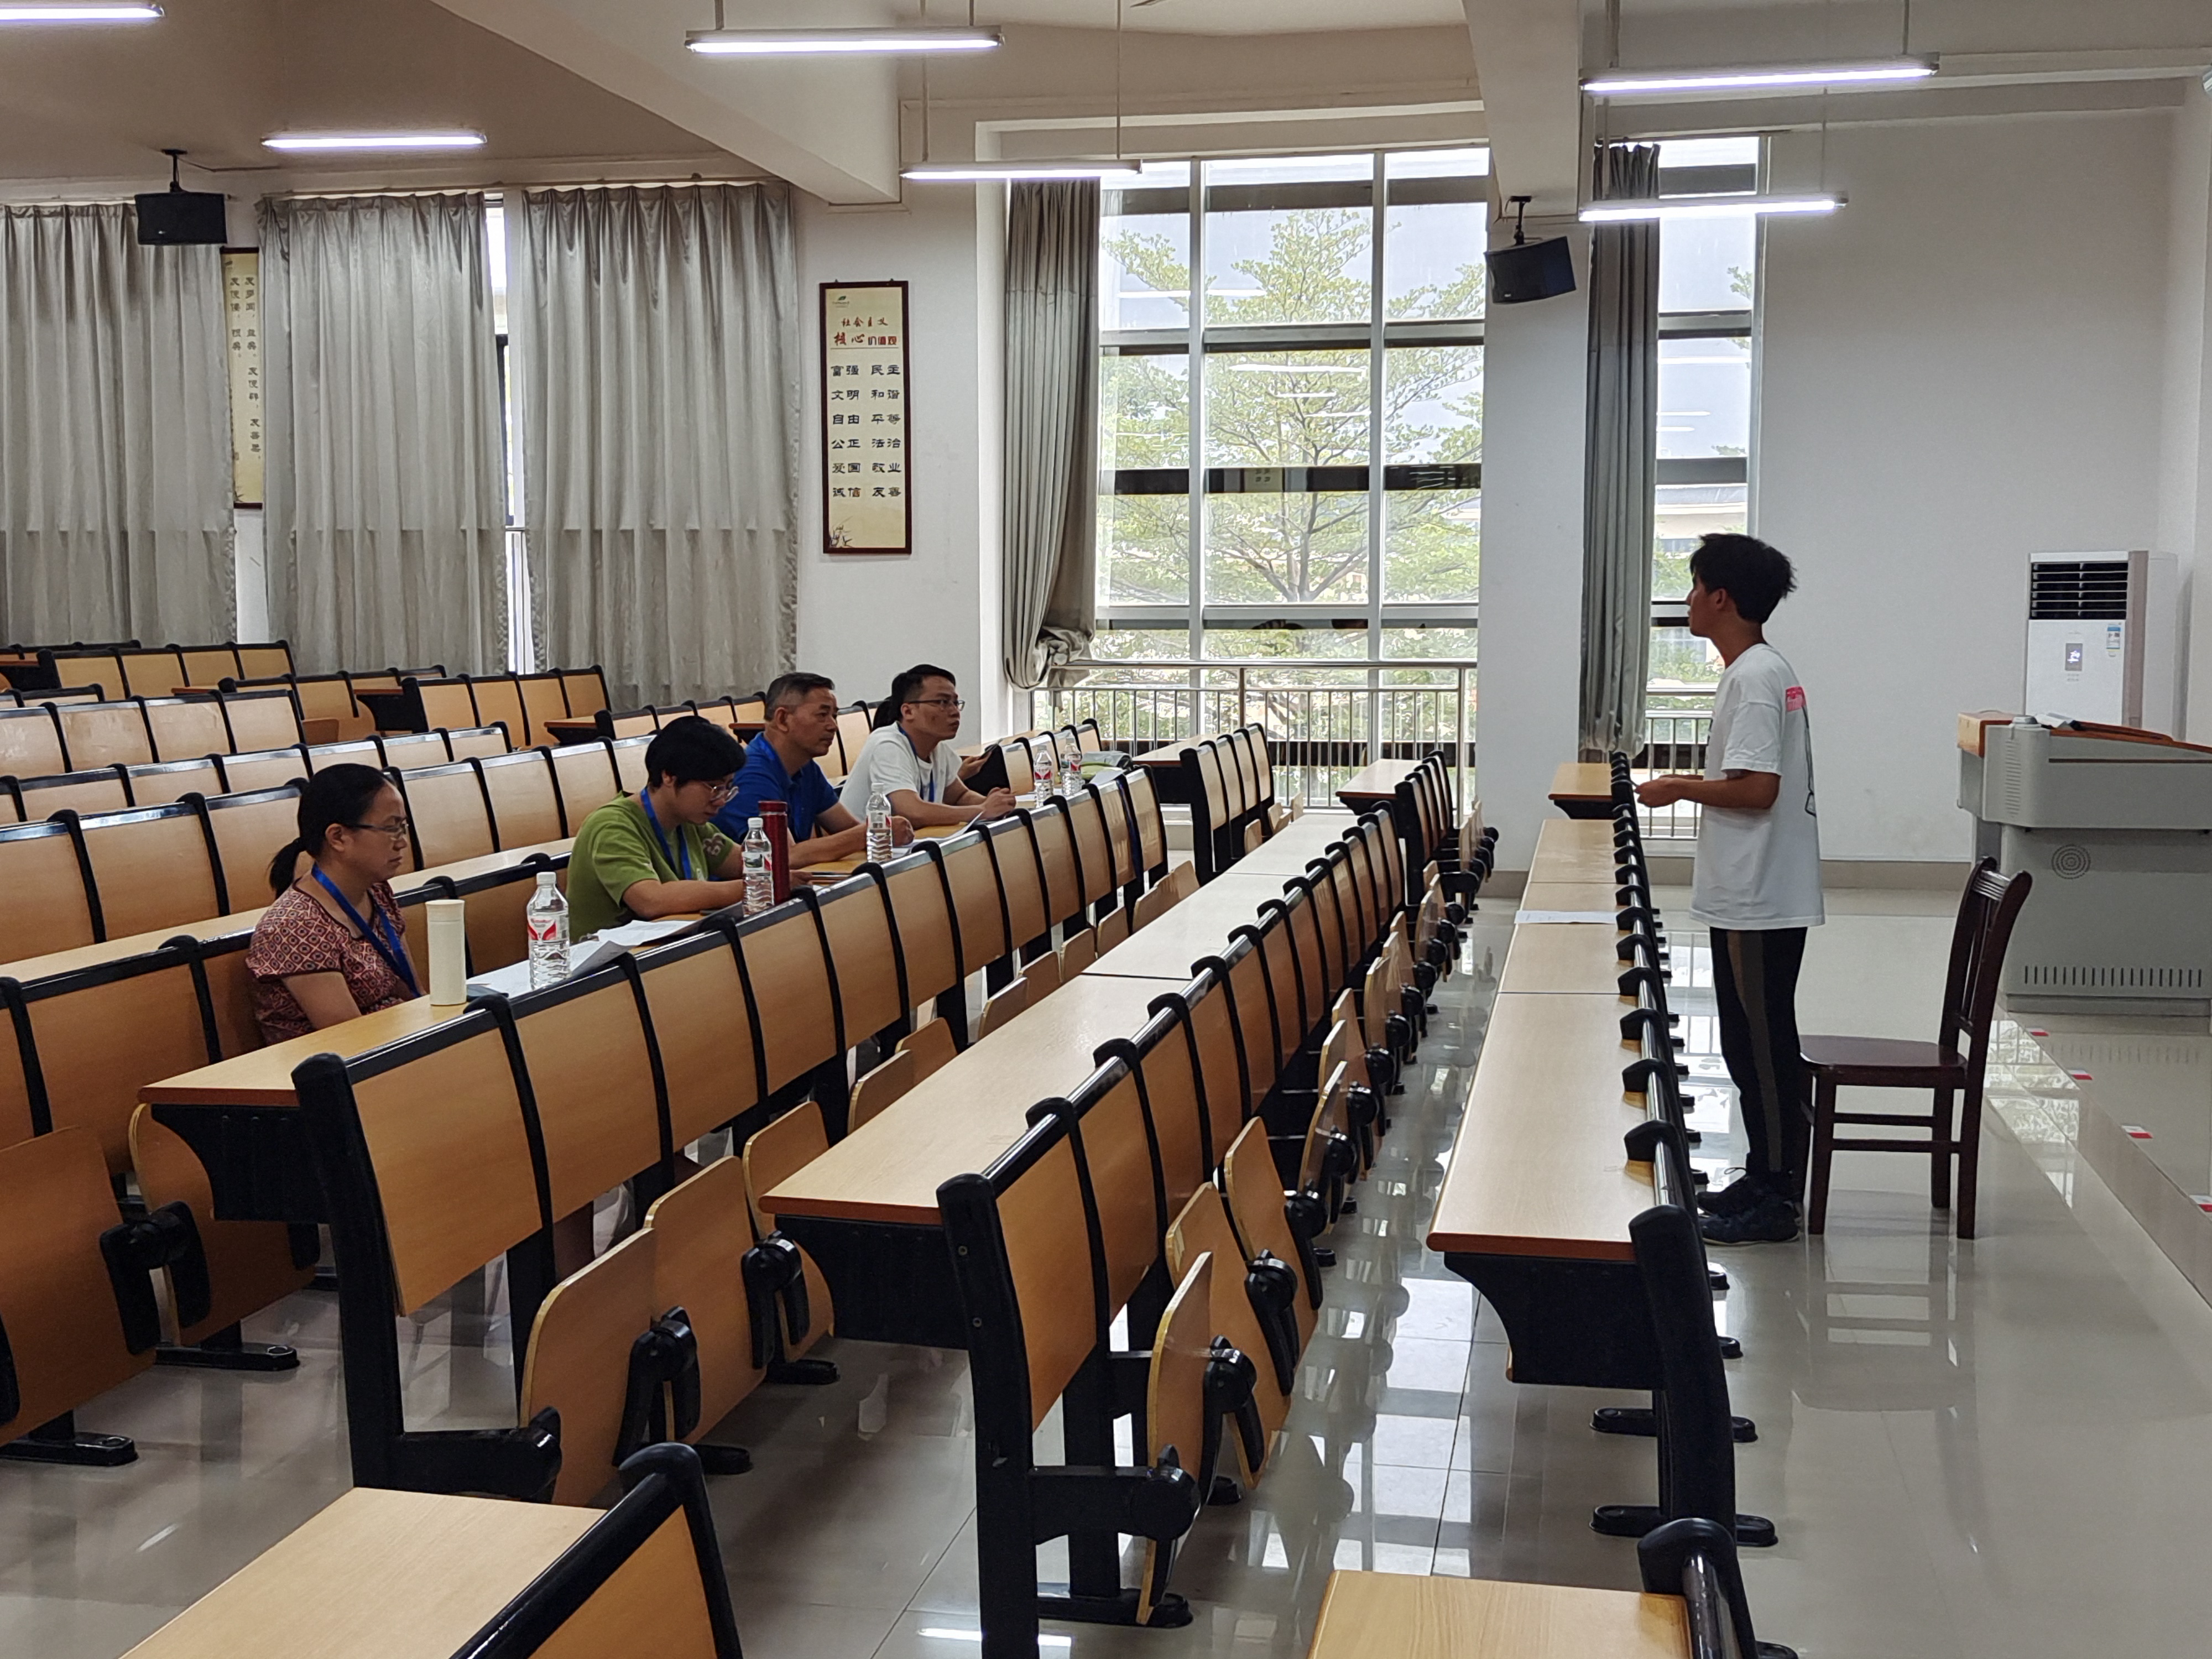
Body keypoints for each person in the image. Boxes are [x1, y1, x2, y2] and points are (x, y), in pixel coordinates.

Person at [1636, 533, 1822, 1246]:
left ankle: (1775, 1197)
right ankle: (1761, 1173)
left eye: (1693, 586)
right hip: (1755, 889)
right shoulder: (1759, 670)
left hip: (1757, 894)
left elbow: (1757, 790)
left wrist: (1678, 787)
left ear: (1720, 597)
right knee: (1749, 1045)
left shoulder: (1753, 677)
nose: (1686, 600)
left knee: (1763, 1051)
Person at [247, 764, 422, 1044]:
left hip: (392, 1044)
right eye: (391, 828)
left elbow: (414, 997)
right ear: (338, 837)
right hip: (337, 1063)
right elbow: (351, 1041)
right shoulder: (296, 926)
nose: (402, 843)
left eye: (403, 827)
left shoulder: (377, 892)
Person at [568, 716, 755, 940]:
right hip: (613, 958)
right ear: (669, 776)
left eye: (728, 788)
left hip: (669, 947)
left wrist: (781, 864)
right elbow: (651, 901)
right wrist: (756, 886)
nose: (722, 801)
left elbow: (745, 863)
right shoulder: (613, 826)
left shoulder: (688, 820)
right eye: (714, 787)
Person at [719, 672, 909, 867]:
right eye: (822, 715)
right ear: (783, 719)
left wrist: (877, 833)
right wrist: (874, 831)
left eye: (834, 716)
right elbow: (782, 856)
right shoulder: (752, 773)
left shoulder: (806, 767)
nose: (833, 726)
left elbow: (847, 828)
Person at [839, 664, 1016, 830]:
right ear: (908, 711)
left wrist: (994, 803)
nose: (954, 711)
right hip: (868, 846)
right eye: (942, 702)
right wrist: (982, 810)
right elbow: (911, 812)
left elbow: (958, 797)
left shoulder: (937, 748)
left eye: (955, 703)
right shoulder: (887, 745)